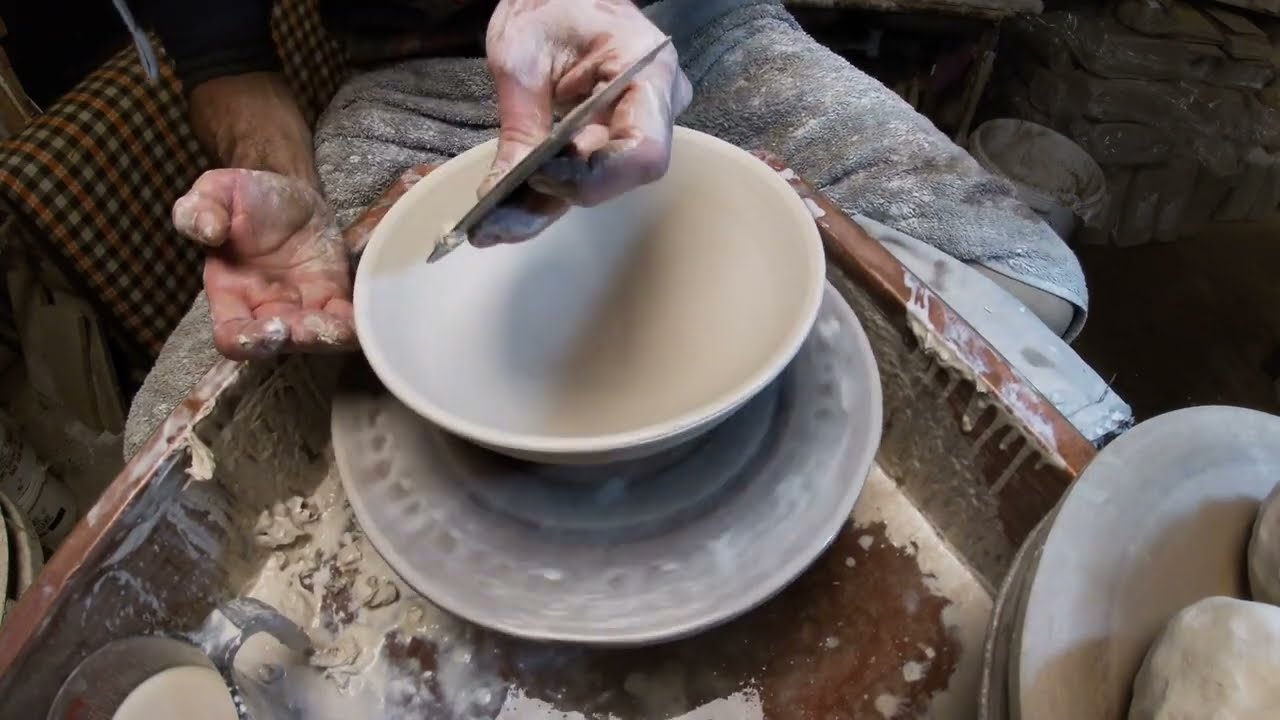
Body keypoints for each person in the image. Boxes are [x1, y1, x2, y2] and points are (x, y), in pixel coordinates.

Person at [115, 0, 1088, 452]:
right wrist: (288, 186)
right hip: (413, 92)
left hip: (682, 31)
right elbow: (227, 62)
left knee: (1025, 286)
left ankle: (771, 375)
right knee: (172, 440)